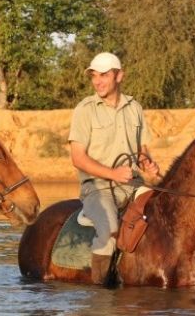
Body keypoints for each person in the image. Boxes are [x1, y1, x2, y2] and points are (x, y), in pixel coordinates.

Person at [68, 52, 160, 284]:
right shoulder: (85, 109)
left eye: (104, 75)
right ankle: (101, 295)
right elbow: (78, 158)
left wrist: (148, 165)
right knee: (109, 234)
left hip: (134, 184)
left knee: (167, 215)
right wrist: (113, 174)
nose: (97, 81)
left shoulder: (134, 107)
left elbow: (142, 150)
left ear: (119, 76)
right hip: (98, 188)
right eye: (94, 76)